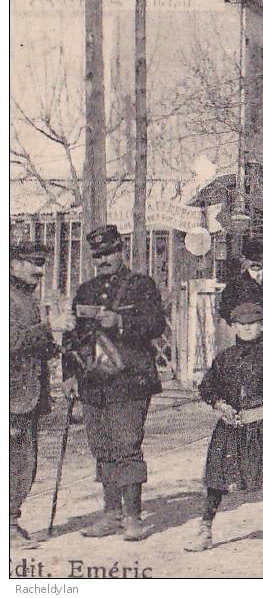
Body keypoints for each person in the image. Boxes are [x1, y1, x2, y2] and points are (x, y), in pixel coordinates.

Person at [62, 224, 167, 541]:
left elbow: (156, 325)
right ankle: (110, 514)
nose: (104, 259)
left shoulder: (141, 286)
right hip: (93, 381)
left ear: (121, 250)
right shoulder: (86, 290)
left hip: (129, 380)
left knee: (126, 447)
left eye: (109, 252)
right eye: (98, 254)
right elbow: (73, 335)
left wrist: (120, 321)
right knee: (102, 447)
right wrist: (68, 373)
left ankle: (133, 517)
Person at [182, 302, 263, 552]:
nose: (247, 329)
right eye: (241, 324)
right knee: (216, 478)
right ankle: (205, 530)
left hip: (262, 428)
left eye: (252, 324)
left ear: (262, 326)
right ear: (232, 327)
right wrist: (220, 405)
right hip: (230, 428)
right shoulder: (224, 358)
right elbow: (207, 388)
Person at [10, 241, 61, 549]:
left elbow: (32, 343)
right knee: (15, 462)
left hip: (27, 394)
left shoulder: (25, 298)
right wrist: (49, 327)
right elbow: (12, 341)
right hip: (12, 396)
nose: (40, 270)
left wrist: (55, 345)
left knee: (24, 461)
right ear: (13, 263)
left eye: (42, 263)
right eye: (33, 262)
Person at [216, 240, 263, 356]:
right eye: (252, 260)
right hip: (246, 337)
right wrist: (238, 323)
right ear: (245, 260)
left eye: (259, 259)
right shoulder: (236, 283)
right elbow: (224, 307)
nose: (256, 263)